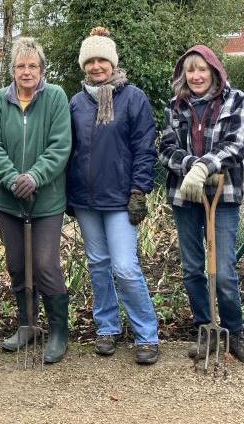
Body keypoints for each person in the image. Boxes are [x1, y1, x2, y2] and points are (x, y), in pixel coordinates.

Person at [158, 45, 244, 366]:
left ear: (214, 70)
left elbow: (237, 145)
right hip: (185, 196)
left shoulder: (236, 100)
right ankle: (206, 329)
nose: (196, 76)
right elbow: (165, 148)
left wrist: (205, 167)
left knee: (225, 272)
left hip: (223, 195)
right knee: (192, 269)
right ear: (183, 75)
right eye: (190, 70)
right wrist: (191, 166)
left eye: (202, 69)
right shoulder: (175, 106)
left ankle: (234, 331)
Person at [66, 27, 159, 364]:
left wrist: (139, 190)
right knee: (98, 266)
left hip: (121, 199)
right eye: (89, 60)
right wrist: (67, 194)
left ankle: (146, 334)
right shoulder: (76, 102)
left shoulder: (133, 98)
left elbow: (144, 148)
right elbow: (69, 149)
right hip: (86, 200)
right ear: (83, 65)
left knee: (124, 266)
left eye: (101, 59)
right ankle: (107, 327)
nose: (96, 65)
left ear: (112, 62)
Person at [0, 36, 72, 364]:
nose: (26, 71)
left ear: (42, 69)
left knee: (45, 265)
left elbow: (61, 145)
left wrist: (34, 176)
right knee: (17, 265)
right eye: (20, 66)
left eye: (32, 65)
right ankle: (27, 324)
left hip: (46, 200)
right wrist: (12, 179)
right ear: (12, 70)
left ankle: (59, 331)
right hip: (10, 201)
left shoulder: (56, 98)